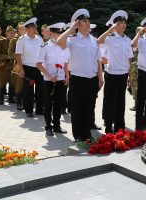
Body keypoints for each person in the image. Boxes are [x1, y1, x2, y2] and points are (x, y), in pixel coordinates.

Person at [57, 9, 103, 142]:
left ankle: (87, 132)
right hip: (78, 79)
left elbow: (98, 60)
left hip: (92, 79)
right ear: (78, 24)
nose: (88, 23)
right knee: (77, 108)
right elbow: (60, 42)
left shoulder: (94, 40)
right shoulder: (72, 40)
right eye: (84, 21)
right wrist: (71, 29)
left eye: (88, 20)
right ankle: (78, 135)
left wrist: (100, 77)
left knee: (89, 107)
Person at [98, 10, 133, 134]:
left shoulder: (127, 40)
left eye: (124, 22)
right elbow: (98, 41)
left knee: (120, 102)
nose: (123, 25)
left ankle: (120, 127)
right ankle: (108, 127)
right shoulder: (109, 38)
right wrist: (109, 30)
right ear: (115, 25)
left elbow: (129, 58)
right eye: (120, 23)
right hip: (112, 74)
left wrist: (129, 75)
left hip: (123, 74)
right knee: (110, 102)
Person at [37, 22, 70, 136]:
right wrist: (50, 76)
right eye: (57, 33)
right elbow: (39, 64)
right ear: (51, 33)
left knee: (58, 103)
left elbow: (66, 63)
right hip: (49, 80)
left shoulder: (63, 46)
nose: (59, 35)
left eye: (61, 33)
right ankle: (48, 126)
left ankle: (57, 126)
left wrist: (67, 76)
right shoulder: (44, 46)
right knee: (48, 104)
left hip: (61, 79)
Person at [15, 17, 44, 117]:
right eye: (33, 28)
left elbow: (43, 52)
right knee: (29, 90)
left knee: (41, 89)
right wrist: (21, 70)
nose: (35, 29)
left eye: (35, 27)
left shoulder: (39, 39)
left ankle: (39, 109)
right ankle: (29, 110)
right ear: (27, 29)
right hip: (28, 68)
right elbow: (18, 55)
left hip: (39, 68)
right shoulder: (21, 40)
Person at [0, 26, 16, 105]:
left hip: (13, 66)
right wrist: (7, 56)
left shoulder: (16, 42)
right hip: (3, 65)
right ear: (6, 33)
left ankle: (11, 99)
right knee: (2, 82)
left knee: (12, 82)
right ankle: (1, 99)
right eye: (10, 33)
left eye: (13, 33)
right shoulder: (1, 41)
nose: (12, 34)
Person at [9, 22, 26, 110]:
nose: (24, 30)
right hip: (18, 64)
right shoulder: (14, 40)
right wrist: (19, 57)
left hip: (29, 64)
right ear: (19, 30)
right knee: (19, 84)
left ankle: (26, 102)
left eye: (25, 28)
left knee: (26, 84)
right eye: (22, 28)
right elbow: (10, 53)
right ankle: (19, 103)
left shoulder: (30, 39)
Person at [129, 26, 142, 111]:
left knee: (134, 85)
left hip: (134, 67)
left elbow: (129, 56)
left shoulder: (134, 42)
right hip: (143, 66)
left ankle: (137, 103)